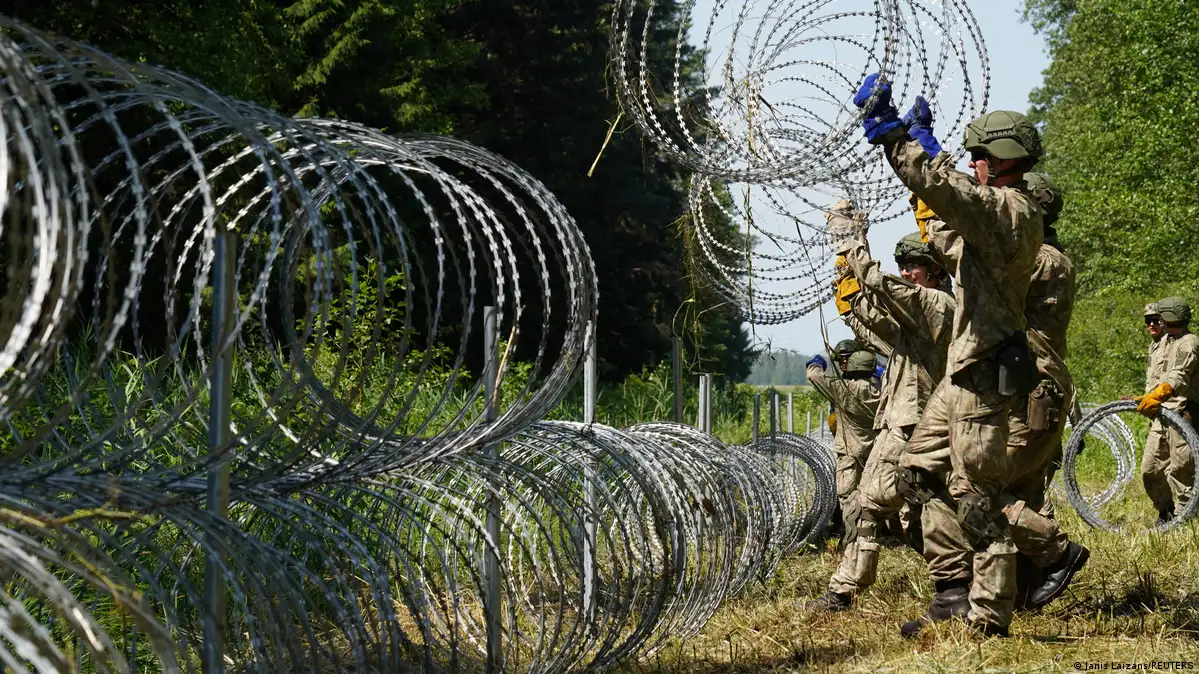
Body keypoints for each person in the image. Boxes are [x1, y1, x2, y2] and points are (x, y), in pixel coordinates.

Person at [854, 75, 1045, 637]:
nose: (972, 164)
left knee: (976, 494)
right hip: (963, 371)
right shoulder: (997, 216)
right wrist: (926, 151)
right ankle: (953, 589)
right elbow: (946, 224)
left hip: (984, 372)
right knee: (917, 471)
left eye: (977, 156)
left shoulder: (1009, 210)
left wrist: (899, 141)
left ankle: (989, 616)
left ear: (1000, 159)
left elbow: (950, 193)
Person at [806, 201, 954, 611]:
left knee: (869, 504)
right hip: (911, 425)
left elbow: (880, 286)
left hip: (913, 427)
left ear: (936, 270)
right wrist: (846, 274)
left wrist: (849, 239)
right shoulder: (918, 318)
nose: (906, 273)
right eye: (902, 266)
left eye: (914, 267)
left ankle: (844, 590)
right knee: (922, 514)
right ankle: (964, 583)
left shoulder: (937, 306)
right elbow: (869, 313)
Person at [807, 347, 881, 545]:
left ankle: (853, 538)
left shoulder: (845, 389)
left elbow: (814, 376)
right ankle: (873, 533)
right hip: (875, 452)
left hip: (849, 453)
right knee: (874, 495)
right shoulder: (883, 389)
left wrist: (817, 362)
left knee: (848, 498)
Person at [1137, 297, 1199, 523]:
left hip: (1183, 413)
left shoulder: (1189, 343)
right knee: (1150, 469)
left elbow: (1179, 376)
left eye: (1160, 317)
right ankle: (1166, 513)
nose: (1156, 322)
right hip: (1161, 415)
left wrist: (1158, 394)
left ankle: (1185, 519)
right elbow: (1157, 375)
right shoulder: (1164, 342)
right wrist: (1147, 396)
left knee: (1181, 470)